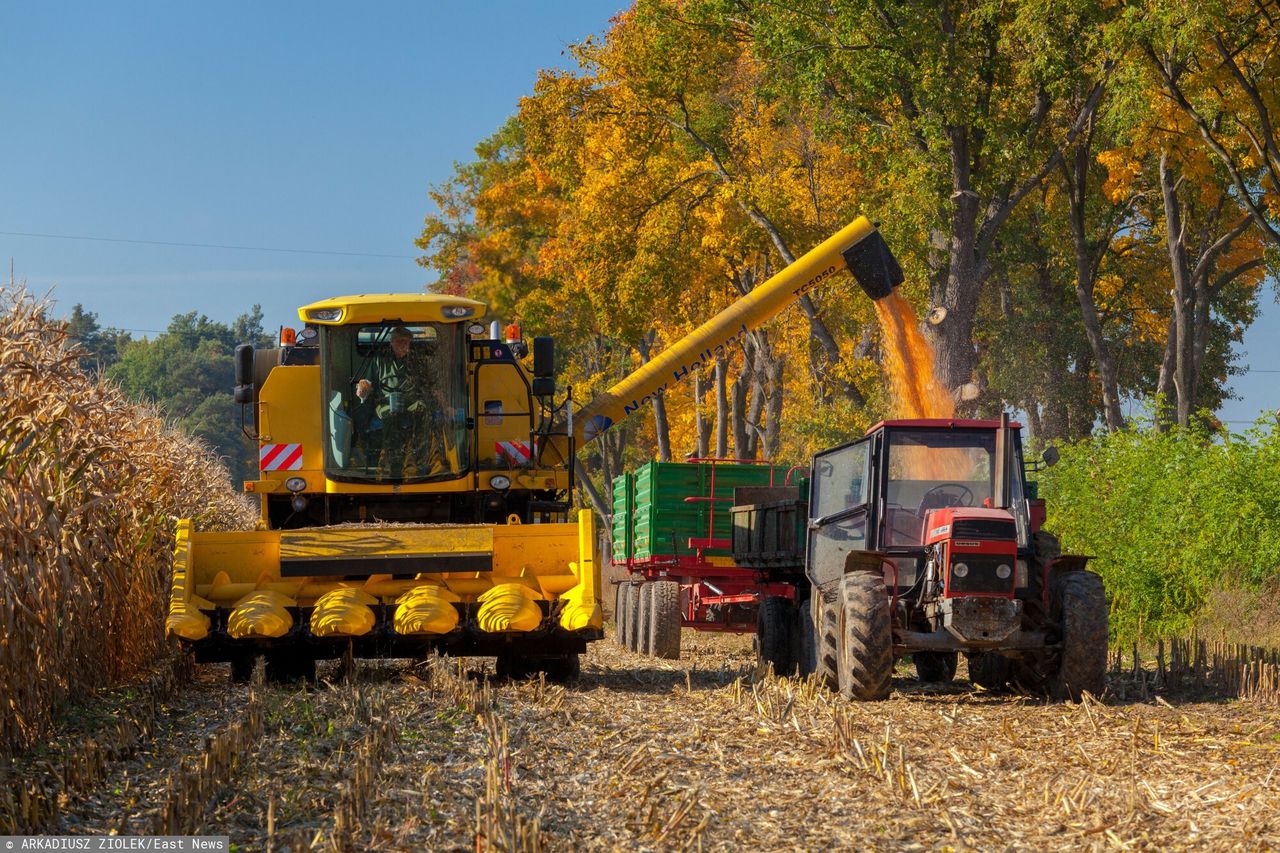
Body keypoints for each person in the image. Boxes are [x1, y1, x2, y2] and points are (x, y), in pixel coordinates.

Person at [351, 326, 444, 478]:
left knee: (423, 412)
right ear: (391, 342)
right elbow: (367, 382)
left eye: (406, 342)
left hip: (412, 401)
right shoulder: (380, 359)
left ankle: (420, 461)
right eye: (400, 341)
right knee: (391, 417)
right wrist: (362, 387)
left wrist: (446, 406)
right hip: (387, 402)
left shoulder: (417, 360)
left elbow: (431, 385)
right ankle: (390, 464)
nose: (403, 345)